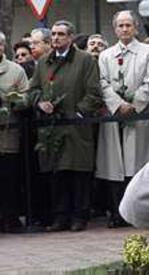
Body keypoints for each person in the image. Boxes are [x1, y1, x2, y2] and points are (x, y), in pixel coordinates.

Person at [30, 20, 103, 232]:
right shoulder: (44, 62)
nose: (55, 38)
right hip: (52, 128)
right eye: (53, 34)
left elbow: (94, 92)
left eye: (60, 34)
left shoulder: (85, 60)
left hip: (76, 127)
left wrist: (79, 112)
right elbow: (33, 89)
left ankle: (80, 216)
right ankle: (60, 217)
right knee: (57, 173)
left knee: (78, 172)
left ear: (70, 37)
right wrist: (40, 102)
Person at [95, 10, 149, 228]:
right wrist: (117, 104)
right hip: (115, 115)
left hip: (139, 116)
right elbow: (102, 83)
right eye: (120, 26)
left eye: (128, 25)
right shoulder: (106, 55)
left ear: (136, 27)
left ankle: (139, 213)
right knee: (116, 167)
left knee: (138, 164)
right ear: (115, 29)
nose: (124, 29)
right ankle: (117, 212)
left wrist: (135, 104)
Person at [0, 31, 29, 233]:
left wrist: (12, 100)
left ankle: (10, 218)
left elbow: (27, 98)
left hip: (8, 135)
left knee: (9, 180)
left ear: (3, 47)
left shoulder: (16, 70)